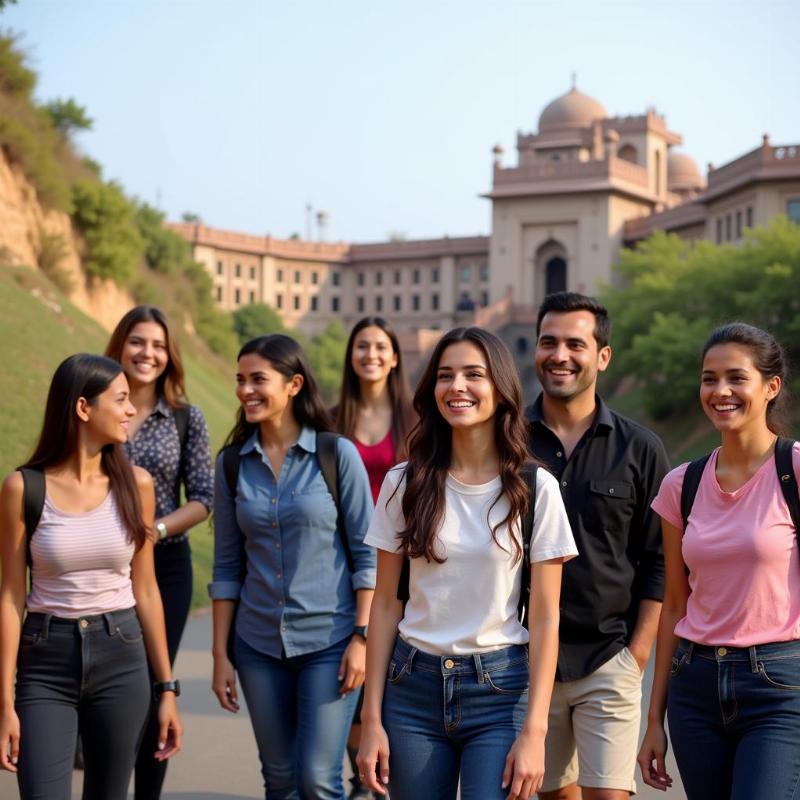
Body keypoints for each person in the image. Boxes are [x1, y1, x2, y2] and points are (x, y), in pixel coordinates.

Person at [357, 326, 578, 800]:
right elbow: (383, 607)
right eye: (445, 375)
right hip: (411, 687)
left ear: (500, 389)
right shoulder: (404, 482)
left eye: (473, 375)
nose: (456, 386)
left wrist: (535, 732)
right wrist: (371, 719)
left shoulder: (536, 489)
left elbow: (544, 616)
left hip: (499, 693)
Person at [0, 354, 182, 800]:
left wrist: (167, 689)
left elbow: (146, 589)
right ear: (83, 408)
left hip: (121, 654)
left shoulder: (135, 485)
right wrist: (4, 700)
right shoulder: (23, 488)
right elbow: (9, 596)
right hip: (45, 662)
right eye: (120, 399)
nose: (130, 410)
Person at [209, 334, 376, 800]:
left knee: (318, 780)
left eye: (258, 379)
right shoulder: (231, 465)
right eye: (240, 380)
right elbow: (226, 567)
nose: (246, 390)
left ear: (294, 384)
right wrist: (221, 655)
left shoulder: (335, 454)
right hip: (257, 645)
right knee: (279, 780)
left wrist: (361, 639)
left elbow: (367, 555)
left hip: (331, 641)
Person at [638, 323, 800, 799]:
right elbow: (674, 605)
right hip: (695, 688)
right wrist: (654, 719)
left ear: (771, 388)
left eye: (736, 378)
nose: (720, 391)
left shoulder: (793, 470)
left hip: (778, 686)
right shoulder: (680, 485)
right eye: (709, 379)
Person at [527, 292, 669, 800]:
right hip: (522, 663)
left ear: (602, 356)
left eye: (574, 343)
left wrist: (637, 654)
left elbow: (659, 561)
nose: (559, 355)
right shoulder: (507, 443)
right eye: (548, 342)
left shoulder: (640, 448)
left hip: (609, 659)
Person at [105, 304, 213, 800]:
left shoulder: (187, 418)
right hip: (99, 564)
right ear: (120, 345)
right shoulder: (94, 402)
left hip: (164, 567)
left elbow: (204, 499)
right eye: (137, 342)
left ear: (170, 354)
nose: (148, 353)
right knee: (106, 686)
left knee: (154, 685)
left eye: (158, 345)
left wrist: (155, 530)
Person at [336, 316, 415, 800]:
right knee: (352, 672)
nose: (370, 354)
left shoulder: (415, 419)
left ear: (394, 356)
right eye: (361, 346)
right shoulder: (331, 419)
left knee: (390, 667)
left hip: (402, 561)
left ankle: (387, 768)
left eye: (379, 346)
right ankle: (359, 773)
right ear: (351, 356)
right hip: (343, 561)